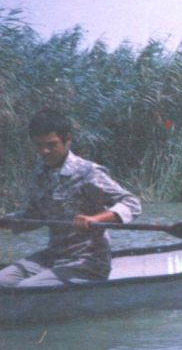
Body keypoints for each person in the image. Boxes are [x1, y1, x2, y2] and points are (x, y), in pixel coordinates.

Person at [0, 109, 142, 288]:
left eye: (51, 144)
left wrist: (95, 219)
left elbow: (132, 204)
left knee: (27, 288)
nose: (44, 151)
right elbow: (33, 217)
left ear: (67, 139)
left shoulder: (88, 172)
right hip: (53, 256)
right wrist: (5, 222)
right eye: (39, 145)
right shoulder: (39, 174)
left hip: (87, 261)